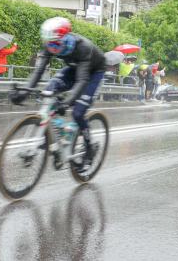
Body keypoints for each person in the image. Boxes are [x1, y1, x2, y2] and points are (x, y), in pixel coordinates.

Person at [10, 17, 106, 166]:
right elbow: (38, 71)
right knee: (49, 91)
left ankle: (89, 148)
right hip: (74, 69)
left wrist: (67, 102)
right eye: (49, 44)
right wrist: (25, 92)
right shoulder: (50, 44)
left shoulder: (82, 47)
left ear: (66, 38)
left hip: (93, 73)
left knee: (78, 113)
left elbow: (82, 81)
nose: (52, 48)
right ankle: (56, 136)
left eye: (56, 44)